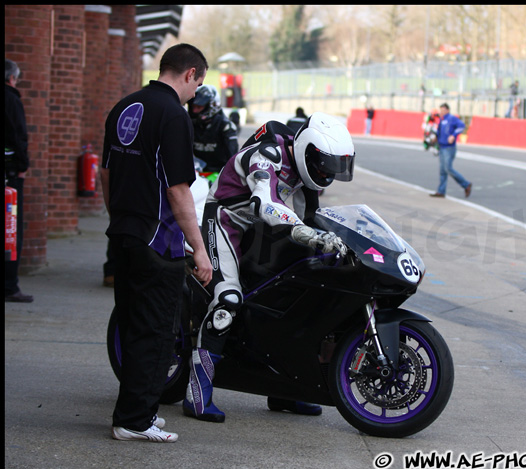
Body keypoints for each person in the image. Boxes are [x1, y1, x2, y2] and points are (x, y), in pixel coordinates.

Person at [184, 112, 355, 423]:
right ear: (306, 149)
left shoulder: (307, 176)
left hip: (265, 232)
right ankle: (197, 393)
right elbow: (265, 204)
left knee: (297, 297)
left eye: (332, 167)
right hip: (226, 221)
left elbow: (315, 217)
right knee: (227, 300)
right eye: (322, 164)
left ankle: (286, 392)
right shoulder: (268, 155)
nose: (326, 173)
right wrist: (311, 235)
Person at [101, 43, 213, 443]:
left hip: (125, 235)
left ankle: (135, 412)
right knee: (157, 332)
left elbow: (106, 174)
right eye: (197, 84)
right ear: (189, 74)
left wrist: (119, 219)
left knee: (133, 328)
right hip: (157, 241)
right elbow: (179, 190)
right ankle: (134, 421)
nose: (195, 93)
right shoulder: (173, 115)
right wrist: (199, 248)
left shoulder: (124, 106)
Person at [5, 59, 33, 303]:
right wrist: (22, 165)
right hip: (10, 175)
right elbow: (18, 136)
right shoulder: (12, 100)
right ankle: (9, 285)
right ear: (12, 78)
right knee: (11, 229)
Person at [187, 84, 239, 173]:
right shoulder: (190, 124)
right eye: (193, 107)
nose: (194, 111)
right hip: (197, 172)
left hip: (220, 174)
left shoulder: (225, 127)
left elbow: (233, 159)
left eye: (199, 107)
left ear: (212, 105)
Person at [429, 103, 472, 198]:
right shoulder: (442, 120)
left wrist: (454, 135)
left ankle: (466, 184)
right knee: (442, 170)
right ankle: (441, 191)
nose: (441, 112)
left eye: (443, 110)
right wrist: (435, 138)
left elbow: (461, 125)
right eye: (440, 110)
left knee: (448, 169)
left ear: (447, 110)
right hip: (442, 147)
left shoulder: (452, 118)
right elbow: (440, 132)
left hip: (449, 148)